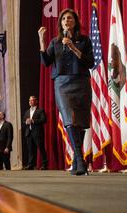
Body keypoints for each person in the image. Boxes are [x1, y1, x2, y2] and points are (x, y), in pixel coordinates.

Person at [38, 8, 94, 175]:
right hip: (62, 84)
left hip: (81, 82)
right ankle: (80, 160)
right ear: (60, 23)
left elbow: (90, 62)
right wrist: (42, 40)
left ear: (75, 22)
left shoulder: (84, 40)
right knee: (69, 119)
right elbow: (46, 62)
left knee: (81, 122)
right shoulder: (55, 42)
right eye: (63, 19)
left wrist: (73, 47)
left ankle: (78, 162)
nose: (66, 21)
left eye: (69, 18)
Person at [23, 96, 47, 170]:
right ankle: (30, 165)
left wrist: (33, 121)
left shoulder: (40, 110)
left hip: (37, 133)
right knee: (30, 150)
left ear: (36, 101)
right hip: (29, 133)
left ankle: (44, 164)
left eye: (32, 100)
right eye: (30, 100)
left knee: (41, 149)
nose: (31, 102)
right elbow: (23, 120)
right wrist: (26, 122)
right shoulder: (27, 111)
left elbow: (43, 120)